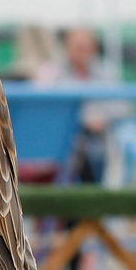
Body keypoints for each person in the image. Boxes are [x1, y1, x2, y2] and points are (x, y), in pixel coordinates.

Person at [35, 27, 112, 185]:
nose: (81, 52)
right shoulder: (51, 73)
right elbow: (44, 109)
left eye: (85, 48)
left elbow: (121, 107)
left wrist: (101, 119)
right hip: (59, 139)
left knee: (93, 152)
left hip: (96, 139)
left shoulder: (105, 74)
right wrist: (83, 119)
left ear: (93, 49)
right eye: (77, 47)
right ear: (67, 47)